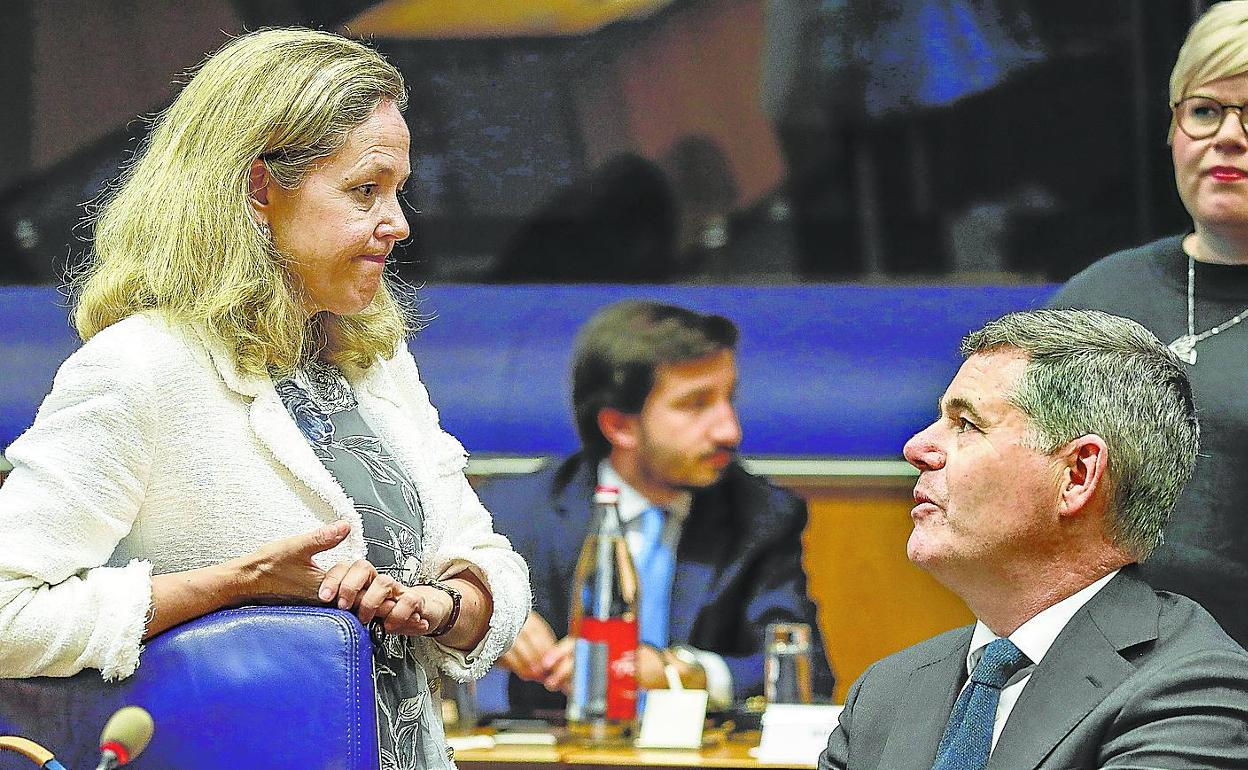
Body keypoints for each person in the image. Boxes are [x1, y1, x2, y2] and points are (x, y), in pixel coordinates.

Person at [0, 28, 528, 770]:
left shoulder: (371, 358)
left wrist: (441, 606)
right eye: (364, 190)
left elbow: (484, 558)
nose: (398, 223)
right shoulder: (141, 366)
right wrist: (230, 588)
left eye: (398, 191)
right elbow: (5, 611)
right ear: (258, 190)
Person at [819, 308, 1248, 770]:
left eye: (966, 424)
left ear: (1077, 475)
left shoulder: (1194, 693)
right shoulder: (887, 693)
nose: (917, 447)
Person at [477, 300, 833, 716]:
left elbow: (802, 670)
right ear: (620, 426)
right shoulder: (514, 513)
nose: (729, 430)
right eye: (696, 404)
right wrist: (484, 625)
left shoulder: (761, 515)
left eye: (728, 399)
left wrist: (675, 671)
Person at [1048, 1, 1248, 647]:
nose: (1228, 136)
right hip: (1100, 681)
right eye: (1204, 110)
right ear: (1172, 129)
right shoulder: (1096, 298)